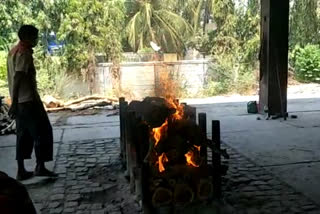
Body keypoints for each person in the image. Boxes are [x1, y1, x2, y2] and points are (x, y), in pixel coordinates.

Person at [7, 25, 57, 180]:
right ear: (27, 37)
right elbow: (18, 77)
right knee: (43, 132)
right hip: (28, 100)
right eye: (35, 37)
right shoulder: (24, 53)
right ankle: (40, 166)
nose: (36, 40)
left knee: (22, 135)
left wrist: (15, 102)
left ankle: (21, 170)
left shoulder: (13, 51)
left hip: (21, 102)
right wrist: (15, 101)